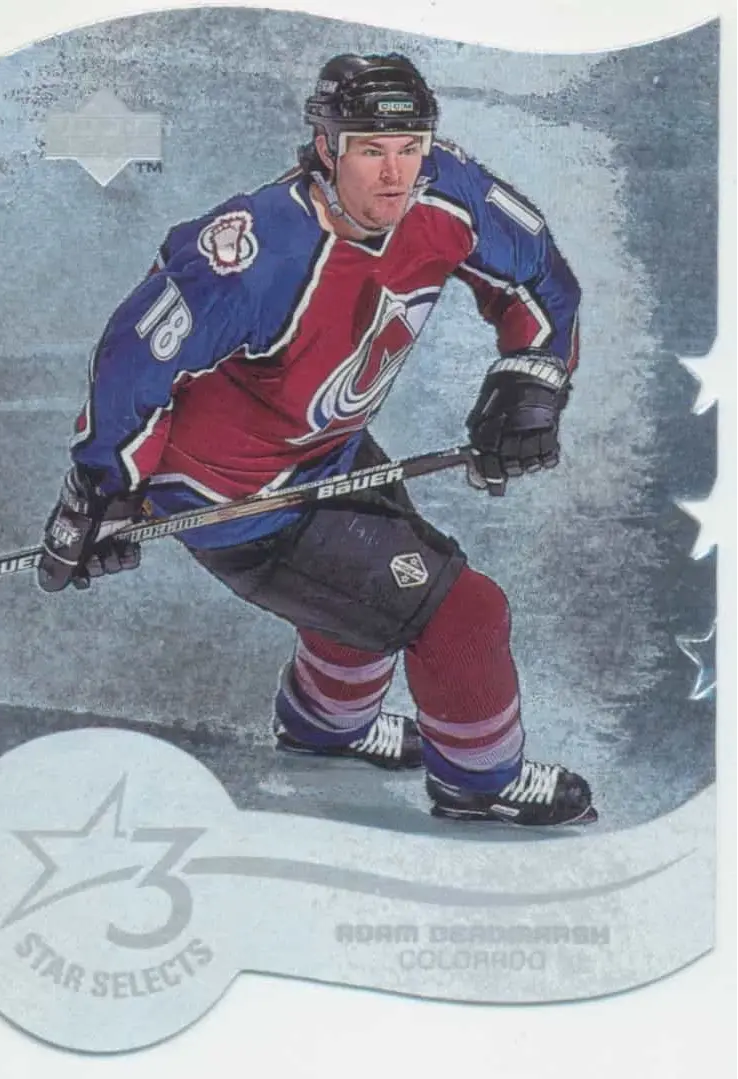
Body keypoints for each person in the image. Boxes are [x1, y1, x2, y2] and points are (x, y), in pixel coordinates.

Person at [37, 53, 596, 827]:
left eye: (409, 147)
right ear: (326, 146)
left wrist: (533, 377)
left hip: (327, 450)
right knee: (464, 614)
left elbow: (538, 271)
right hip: (235, 500)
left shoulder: (447, 189)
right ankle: (479, 779)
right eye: (370, 150)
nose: (395, 174)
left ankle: (326, 728)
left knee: (360, 604)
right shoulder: (256, 253)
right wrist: (103, 489)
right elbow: (135, 355)